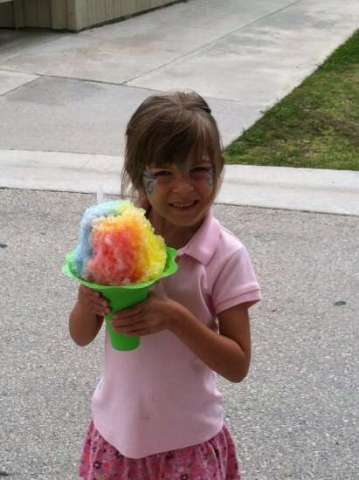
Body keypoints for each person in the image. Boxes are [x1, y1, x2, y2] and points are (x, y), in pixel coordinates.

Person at [69, 91, 261, 480]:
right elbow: (80, 335)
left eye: (198, 170)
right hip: (116, 436)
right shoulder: (114, 235)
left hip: (188, 443)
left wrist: (176, 317)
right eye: (164, 174)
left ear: (219, 169)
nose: (184, 189)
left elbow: (237, 364)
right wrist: (87, 300)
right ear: (138, 174)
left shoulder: (225, 256)